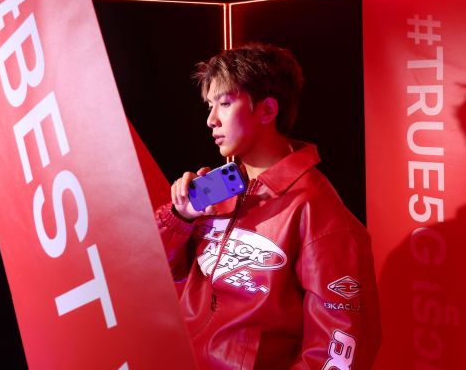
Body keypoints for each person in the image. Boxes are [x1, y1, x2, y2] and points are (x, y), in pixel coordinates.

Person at [155, 42, 381, 369]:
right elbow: (151, 276)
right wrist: (180, 216)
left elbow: (341, 342)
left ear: (267, 111)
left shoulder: (316, 207)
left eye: (225, 103)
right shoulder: (216, 192)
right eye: (210, 105)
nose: (211, 120)